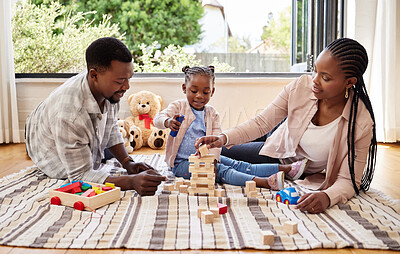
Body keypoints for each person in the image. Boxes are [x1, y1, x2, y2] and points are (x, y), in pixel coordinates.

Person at [195, 38, 377, 213]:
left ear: (350, 82)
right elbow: (262, 123)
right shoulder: (302, 86)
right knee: (217, 147)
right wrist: (223, 138)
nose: (314, 80)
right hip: (281, 134)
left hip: (282, 158)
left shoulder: (360, 123)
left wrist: (327, 197)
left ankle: (285, 166)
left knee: (222, 153)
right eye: (315, 71)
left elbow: (349, 180)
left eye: (325, 78)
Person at [25, 37, 166, 196]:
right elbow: (79, 177)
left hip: (71, 127)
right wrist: (131, 182)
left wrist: (128, 163)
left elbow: (111, 128)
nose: (127, 87)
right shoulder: (70, 115)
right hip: (44, 140)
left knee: (102, 153)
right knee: (87, 165)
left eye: (129, 78)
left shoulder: (111, 90)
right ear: (94, 75)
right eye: (121, 80)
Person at [154, 66, 309, 189]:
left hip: (207, 157)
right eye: (194, 91)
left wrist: (214, 159)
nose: (199, 96)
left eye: (205, 92)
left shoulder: (212, 114)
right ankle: (263, 182)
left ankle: (287, 169)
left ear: (212, 92)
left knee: (238, 164)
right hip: (181, 163)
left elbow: (216, 142)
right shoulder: (178, 106)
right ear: (184, 88)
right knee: (223, 171)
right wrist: (167, 122)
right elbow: (157, 119)